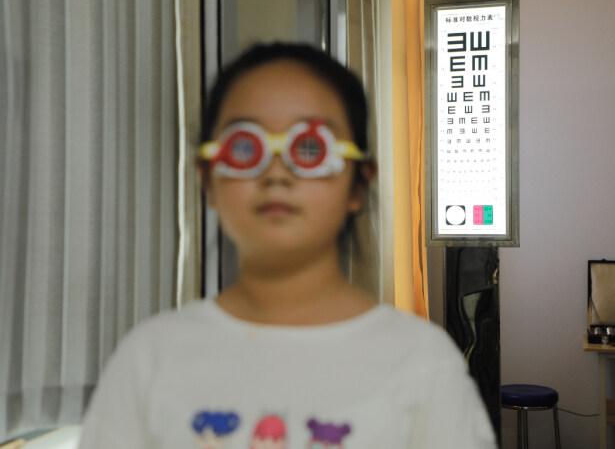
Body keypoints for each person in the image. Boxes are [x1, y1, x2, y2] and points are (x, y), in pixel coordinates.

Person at [78, 42, 496, 449]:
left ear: (358, 183)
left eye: (310, 148)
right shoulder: (149, 359)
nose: (276, 173)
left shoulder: (423, 363)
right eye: (245, 148)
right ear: (208, 179)